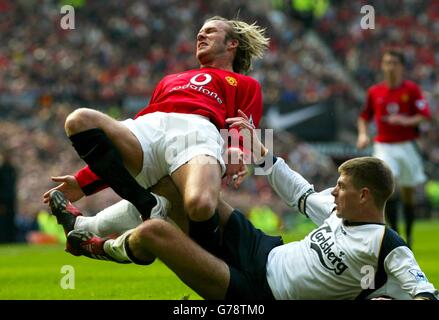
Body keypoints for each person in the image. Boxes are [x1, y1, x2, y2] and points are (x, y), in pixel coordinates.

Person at [56, 112, 438, 300]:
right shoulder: (339, 211)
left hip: (258, 293)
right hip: (260, 247)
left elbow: (424, 294)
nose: (333, 193)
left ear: (365, 195)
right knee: (177, 192)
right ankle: (83, 227)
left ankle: (97, 248)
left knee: (156, 231)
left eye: (340, 187)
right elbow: (301, 194)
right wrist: (264, 156)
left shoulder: (387, 247)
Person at [44, 16, 269, 254]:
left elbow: (244, 126)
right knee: (79, 120)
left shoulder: (245, 84)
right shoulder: (169, 80)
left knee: (200, 205)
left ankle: (94, 230)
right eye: (199, 33)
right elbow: (128, 142)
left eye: (210, 32)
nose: (200, 36)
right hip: (150, 126)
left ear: (232, 44)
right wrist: (83, 182)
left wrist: (237, 150)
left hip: (197, 132)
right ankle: (147, 206)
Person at [356, 50, 431, 248]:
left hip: (407, 146)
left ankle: (409, 234)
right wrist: (363, 134)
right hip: (384, 146)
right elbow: (364, 116)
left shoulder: (411, 90)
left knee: (408, 192)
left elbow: (424, 115)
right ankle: (395, 234)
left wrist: (405, 120)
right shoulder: (375, 91)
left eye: (394, 63)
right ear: (382, 66)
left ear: (401, 67)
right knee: (389, 185)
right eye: (387, 62)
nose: (390, 66)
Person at [0, 150, 18, 243]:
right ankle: (3, 240)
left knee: (10, 219)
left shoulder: (12, 169)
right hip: (3, 200)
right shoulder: (2, 170)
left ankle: (11, 239)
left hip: (11, 199)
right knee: (3, 220)